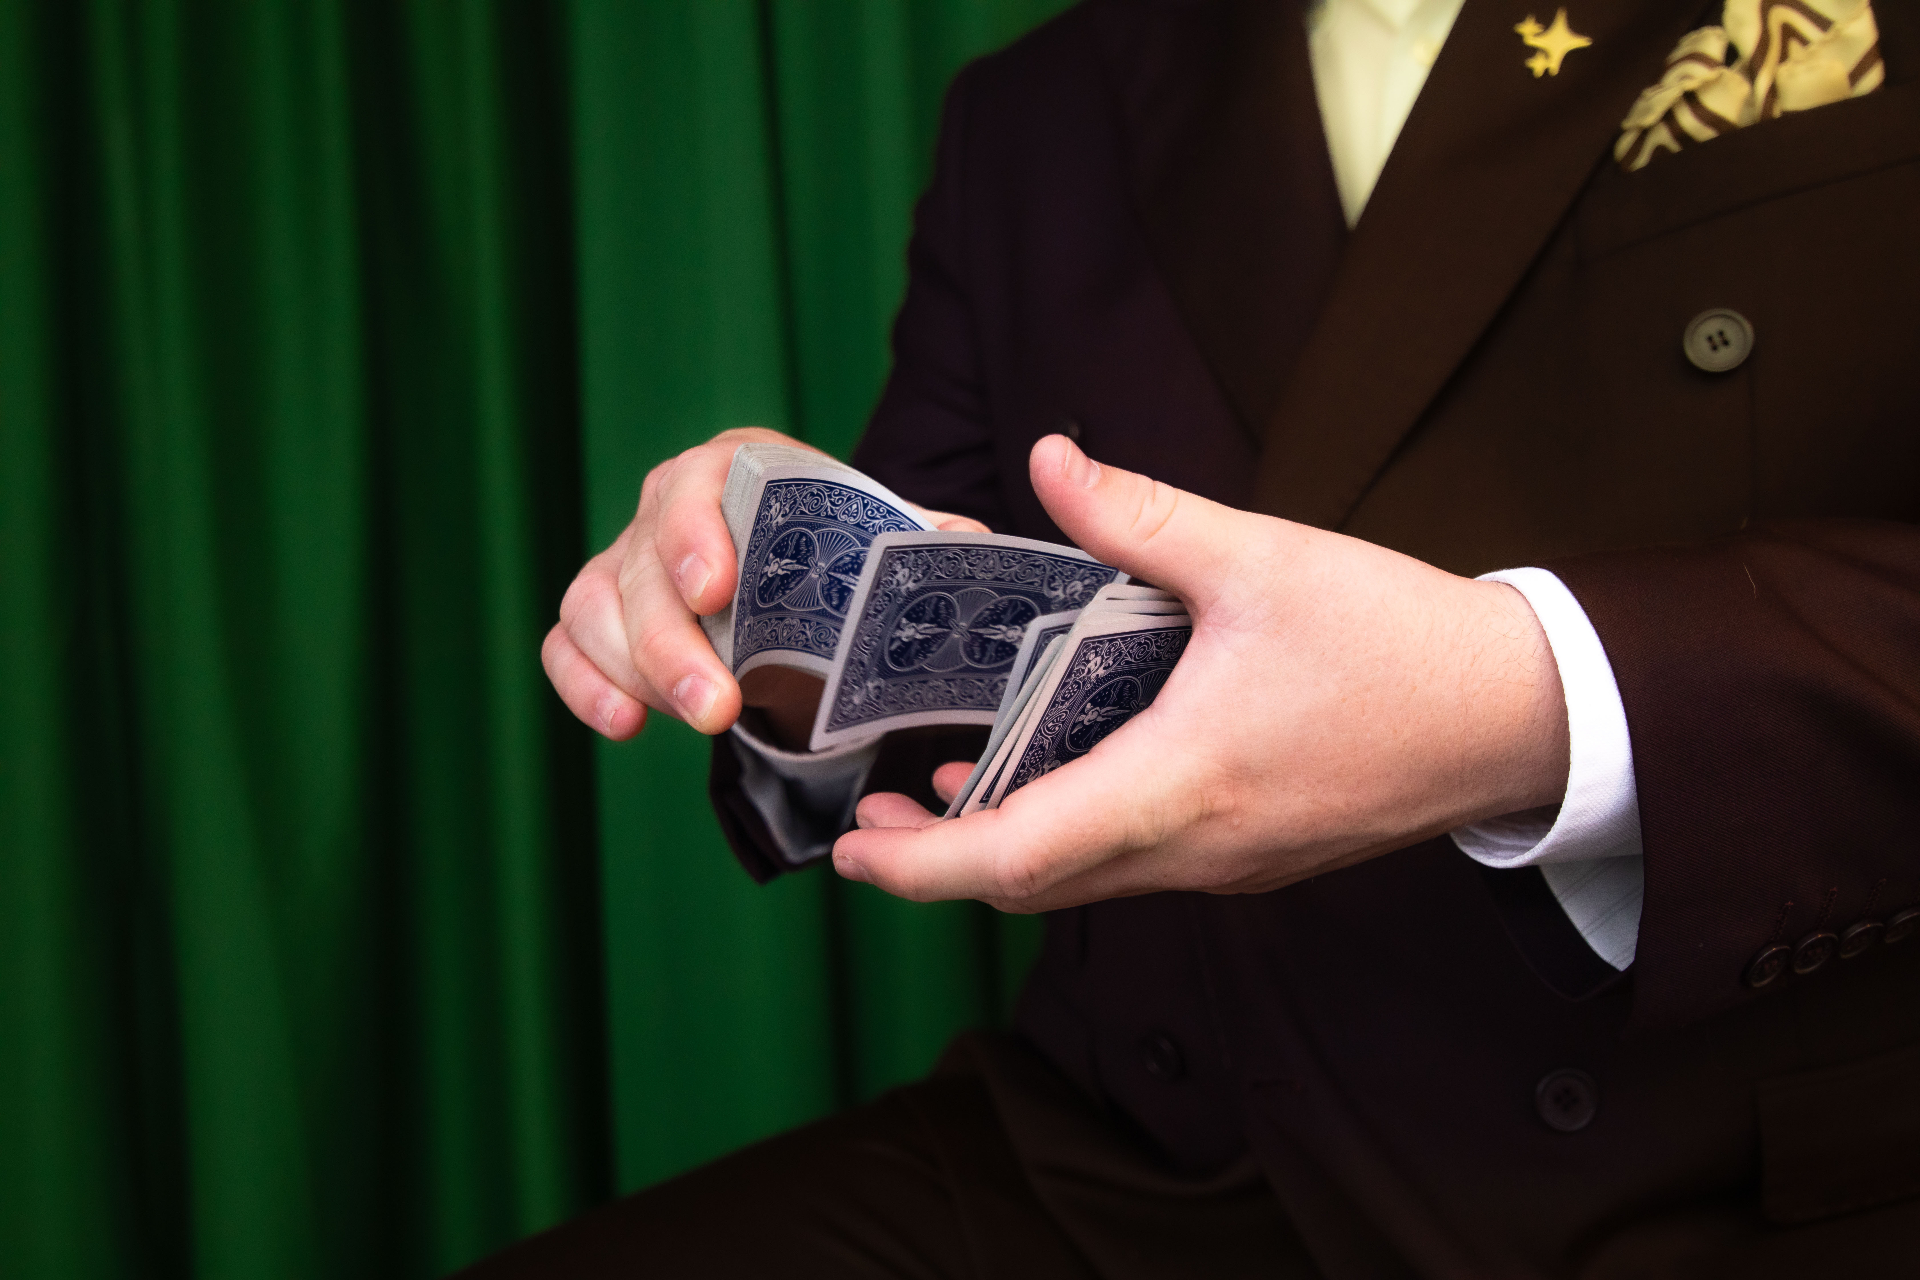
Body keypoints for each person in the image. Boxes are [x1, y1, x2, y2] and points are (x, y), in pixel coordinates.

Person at [496, 0, 1920, 1275]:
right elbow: (919, 648)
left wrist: (1515, 704)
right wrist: (754, 588)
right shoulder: (1041, 111)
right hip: (1145, 1169)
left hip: (1754, 1174)